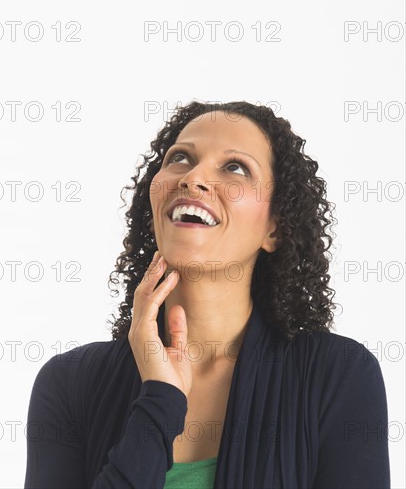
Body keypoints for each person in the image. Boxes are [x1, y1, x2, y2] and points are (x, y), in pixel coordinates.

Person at [24, 101, 391, 489]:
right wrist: (160, 399)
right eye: (180, 158)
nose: (193, 177)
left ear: (274, 230)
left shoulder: (338, 375)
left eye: (235, 167)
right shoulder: (70, 383)